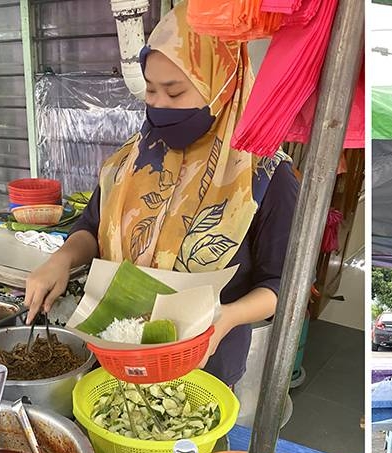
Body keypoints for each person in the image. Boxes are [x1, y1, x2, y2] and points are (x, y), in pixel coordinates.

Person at [24, 1, 298, 388]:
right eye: (151, 90)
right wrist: (62, 259)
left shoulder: (266, 176)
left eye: (175, 91)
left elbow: (281, 283)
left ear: (223, 85)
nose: (159, 105)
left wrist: (227, 317)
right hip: (118, 349)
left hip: (204, 359)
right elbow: (91, 226)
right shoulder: (130, 160)